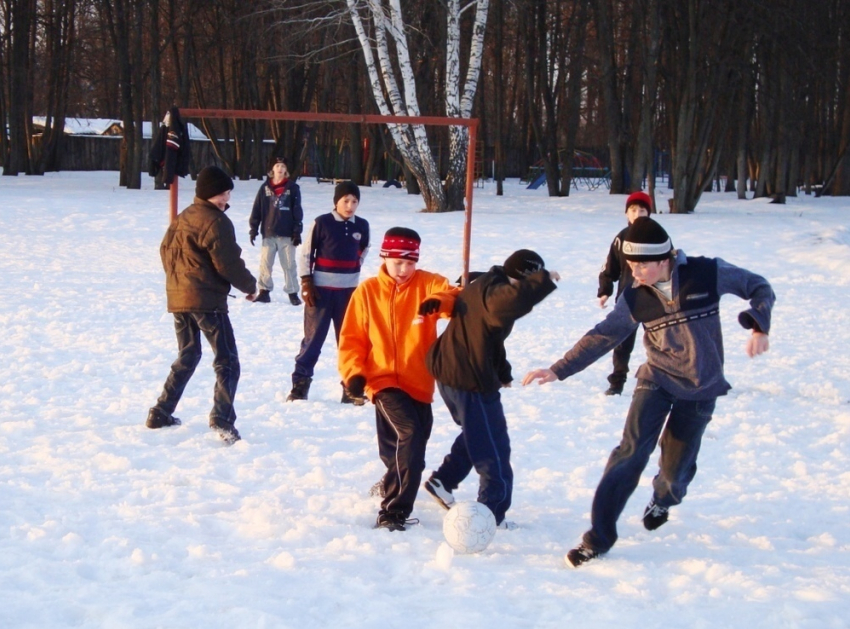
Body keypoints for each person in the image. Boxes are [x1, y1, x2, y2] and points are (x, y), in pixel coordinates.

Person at [522, 216, 775, 567]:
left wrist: (759, 324)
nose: (634, 273)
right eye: (629, 265)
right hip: (656, 379)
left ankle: (663, 498)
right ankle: (597, 538)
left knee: (674, 471)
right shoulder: (635, 297)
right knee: (629, 453)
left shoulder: (707, 273)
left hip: (702, 386)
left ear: (663, 258)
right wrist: (558, 368)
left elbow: (759, 286)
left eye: (640, 266)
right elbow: (604, 334)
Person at [423, 250, 559, 528]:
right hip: (468, 379)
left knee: (476, 433)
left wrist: (502, 372)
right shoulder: (497, 294)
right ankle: (490, 513)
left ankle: (444, 480)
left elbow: (489, 336)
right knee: (493, 448)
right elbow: (512, 302)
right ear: (523, 277)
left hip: (452, 372)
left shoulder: (486, 283)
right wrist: (542, 281)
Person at [338, 227, 458, 531]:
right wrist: (353, 375)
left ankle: (391, 480)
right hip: (381, 381)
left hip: (419, 382)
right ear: (384, 258)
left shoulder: (427, 284)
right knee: (410, 434)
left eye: (409, 263)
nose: (403, 269)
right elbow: (351, 339)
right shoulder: (366, 292)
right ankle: (393, 512)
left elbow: (453, 295)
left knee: (409, 454)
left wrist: (440, 302)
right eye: (396, 262)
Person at [147, 166, 257, 445]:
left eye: (228, 192)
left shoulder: (182, 218)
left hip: (179, 299)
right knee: (227, 360)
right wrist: (250, 286)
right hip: (206, 300)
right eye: (222, 193)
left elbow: (165, 251)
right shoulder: (216, 222)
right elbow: (228, 262)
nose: (226, 199)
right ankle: (221, 418)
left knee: (189, 354)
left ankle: (161, 411)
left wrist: (179, 283)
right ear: (209, 194)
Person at [287, 181, 370, 403]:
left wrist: (354, 268)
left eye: (354, 201)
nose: (350, 206)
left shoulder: (361, 225)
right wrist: (306, 282)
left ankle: (350, 387)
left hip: (348, 294)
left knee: (349, 341)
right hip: (321, 292)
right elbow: (306, 253)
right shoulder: (322, 223)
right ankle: (300, 385)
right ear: (336, 201)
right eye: (346, 201)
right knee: (313, 339)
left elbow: (364, 249)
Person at [597, 191, 652, 395]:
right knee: (622, 343)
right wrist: (605, 290)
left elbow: (670, 266)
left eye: (642, 210)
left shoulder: (658, 237)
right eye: (633, 210)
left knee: (658, 342)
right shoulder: (621, 238)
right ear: (627, 214)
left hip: (655, 299)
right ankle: (617, 381)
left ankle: (662, 379)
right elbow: (609, 267)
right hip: (628, 300)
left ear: (649, 213)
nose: (637, 214)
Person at [246, 156, 303, 305]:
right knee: (265, 263)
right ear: (272, 169)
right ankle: (264, 291)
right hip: (269, 232)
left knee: (289, 264)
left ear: (286, 170)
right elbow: (257, 209)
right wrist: (253, 228)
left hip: (287, 233)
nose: (280, 169)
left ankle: (292, 292)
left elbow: (297, 211)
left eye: (283, 166)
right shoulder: (264, 188)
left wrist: (297, 231)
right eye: (277, 166)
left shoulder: (293, 188)